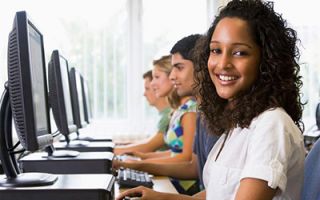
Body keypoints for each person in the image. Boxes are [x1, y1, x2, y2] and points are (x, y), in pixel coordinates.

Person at [116, 0, 305, 199]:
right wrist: (160, 197)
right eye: (216, 50)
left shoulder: (272, 124)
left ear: (266, 61)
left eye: (239, 52)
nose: (223, 64)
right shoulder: (238, 125)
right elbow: (217, 195)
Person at [115, 34, 201, 195]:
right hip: (175, 180)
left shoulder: (191, 110)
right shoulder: (181, 110)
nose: (173, 76)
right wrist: (143, 157)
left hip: (184, 185)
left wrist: (142, 162)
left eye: (179, 68)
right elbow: (176, 152)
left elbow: (187, 158)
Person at [114, 70, 172, 155]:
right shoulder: (163, 115)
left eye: (147, 89)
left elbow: (148, 146)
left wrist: (109, 152)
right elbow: (148, 142)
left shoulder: (167, 116)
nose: (144, 94)